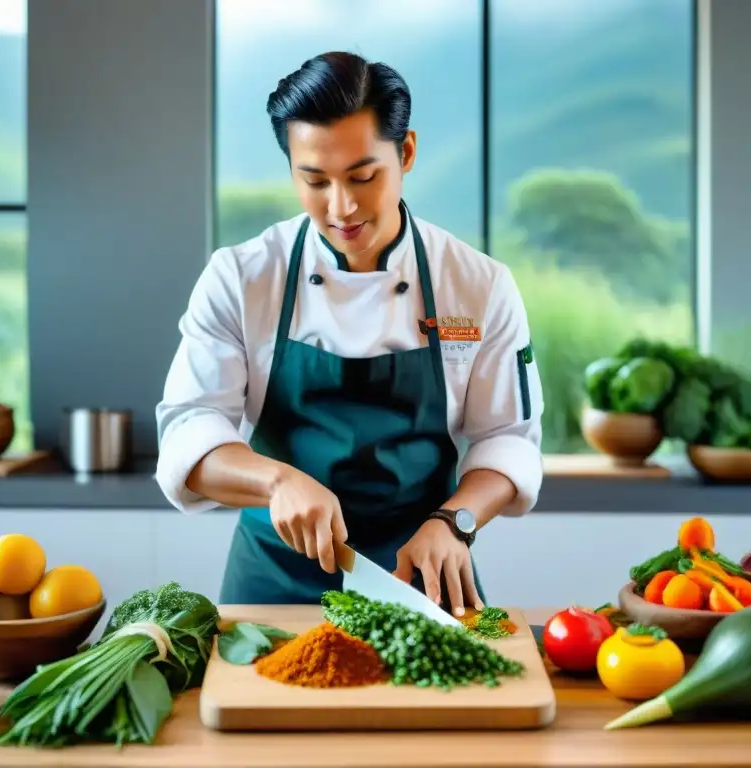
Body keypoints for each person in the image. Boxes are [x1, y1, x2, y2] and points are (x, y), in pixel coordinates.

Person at [155, 51, 544, 618]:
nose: (341, 207)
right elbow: (189, 432)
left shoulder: (478, 285)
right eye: (314, 180)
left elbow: (508, 437)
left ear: (405, 151)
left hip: (422, 575)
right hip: (273, 584)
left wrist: (455, 522)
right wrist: (275, 481)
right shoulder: (241, 278)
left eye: (363, 177)